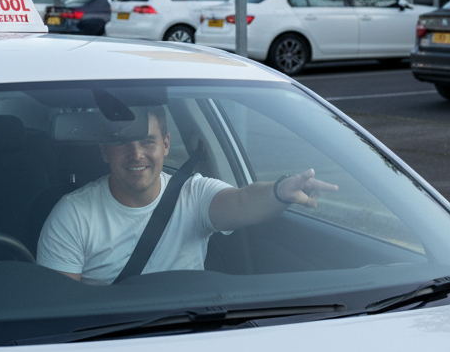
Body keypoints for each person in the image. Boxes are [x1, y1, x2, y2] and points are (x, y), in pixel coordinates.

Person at [37, 106, 336, 283]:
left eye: (147, 141)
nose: (136, 154)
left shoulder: (194, 193)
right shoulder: (73, 215)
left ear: (166, 145)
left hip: (195, 331)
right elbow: (60, 309)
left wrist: (279, 191)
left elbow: (243, 201)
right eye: (122, 143)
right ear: (104, 151)